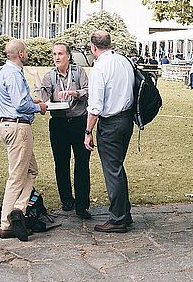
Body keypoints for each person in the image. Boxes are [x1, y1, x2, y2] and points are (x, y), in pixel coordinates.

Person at [0, 39, 48, 241]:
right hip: (18, 127)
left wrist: (30, 100)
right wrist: (39, 107)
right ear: (21, 54)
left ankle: (19, 208)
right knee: (17, 176)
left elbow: (13, 99)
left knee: (31, 170)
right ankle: (7, 223)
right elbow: (20, 105)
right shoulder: (15, 73)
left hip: (7, 125)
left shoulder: (2, 72)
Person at [85, 30, 137, 233]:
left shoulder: (99, 68)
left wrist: (88, 130)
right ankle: (124, 212)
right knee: (117, 167)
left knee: (112, 170)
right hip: (126, 119)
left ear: (93, 47)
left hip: (110, 122)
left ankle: (118, 218)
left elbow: (95, 105)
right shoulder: (124, 61)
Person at [40, 42, 92, 219]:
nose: (56, 57)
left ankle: (82, 205)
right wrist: (39, 85)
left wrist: (74, 93)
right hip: (59, 124)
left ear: (68, 56)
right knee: (61, 164)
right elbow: (44, 99)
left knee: (82, 164)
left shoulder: (79, 72)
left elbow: (88, 90)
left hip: (79, 122)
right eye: (54, 54)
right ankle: (67, 200)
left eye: (60, 53)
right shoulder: (49, 76)